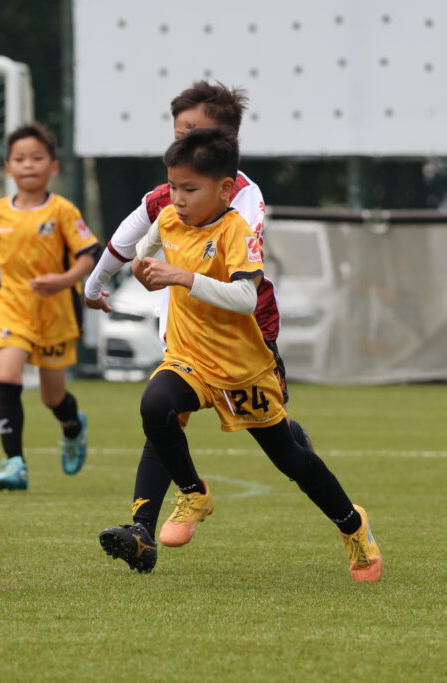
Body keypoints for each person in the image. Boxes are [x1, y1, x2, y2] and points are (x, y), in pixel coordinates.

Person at [99, 128, 382, 581]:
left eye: (190, 189)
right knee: (155, 406)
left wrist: (182, 277)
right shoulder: (168, 218)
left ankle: (352, 525)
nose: (178, 198)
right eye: (172, 186)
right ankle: (193, 493)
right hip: (189, 358)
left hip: (242, 369)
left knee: (291, 459)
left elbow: (245, 299)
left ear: (225, 189)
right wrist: (142, 271)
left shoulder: (237, 231)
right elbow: (143, 256)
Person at [88, 81, 314, 565]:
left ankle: (305, 459)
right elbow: (129, 236)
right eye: (179, 133)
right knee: (161, 414)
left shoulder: (243, 202)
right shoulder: (172, 194)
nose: (185, 142)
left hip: (244, 333)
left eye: (195, 132)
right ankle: (143, 531)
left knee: (281, 445)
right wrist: (96, 283)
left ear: (224, 143)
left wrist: (181, 273)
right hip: (188, 333)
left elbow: (240, 284)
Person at [0, 123, 101, 491]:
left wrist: (64, 280)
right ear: (8, 168)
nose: (28, 165)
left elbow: (87, 255)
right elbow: (1, 247)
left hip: (55, 312)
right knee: (7, 377)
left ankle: (73, 426)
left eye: (37, 158)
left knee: (52, 396)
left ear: (53, 166)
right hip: (12, 306)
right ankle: (14, 462)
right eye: (20, 159)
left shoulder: (63, 210)